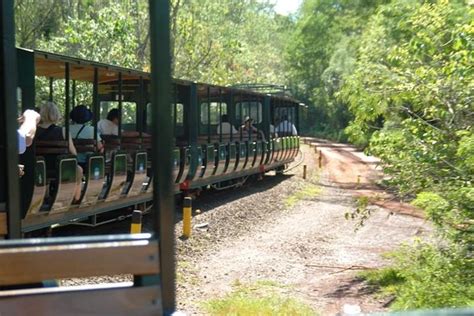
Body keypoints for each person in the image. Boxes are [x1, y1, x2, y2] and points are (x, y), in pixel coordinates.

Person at [36, 102, 83, 202]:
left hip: (39, 168)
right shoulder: (63, 131)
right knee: (78, 169)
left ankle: (46, 194)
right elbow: (74, 154)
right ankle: (76, 197)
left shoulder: (34, 131)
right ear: (56, 114)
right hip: (60, 168)